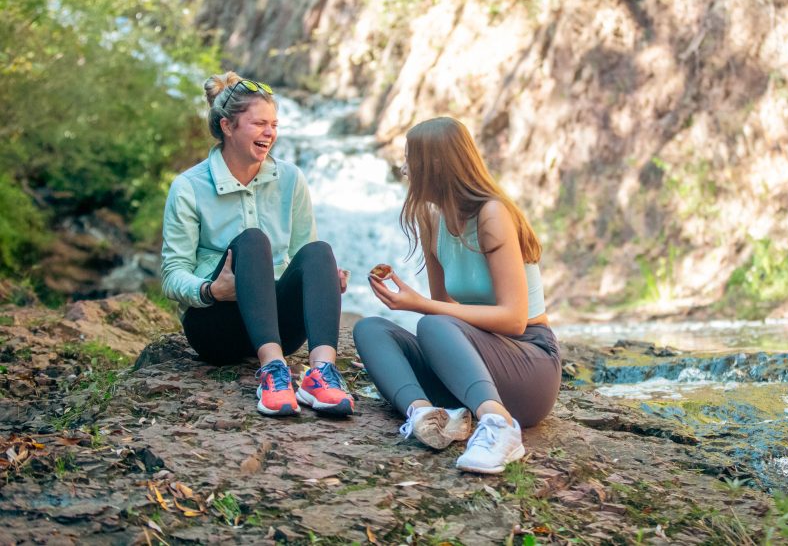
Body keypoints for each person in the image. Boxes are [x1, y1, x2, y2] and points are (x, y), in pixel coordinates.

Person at [354, 117, 560, 474]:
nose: (404, 170)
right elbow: (445, 306)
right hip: (472, 364)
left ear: (435, 166)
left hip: (530, 365)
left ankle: (499, 426)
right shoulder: (431, 218)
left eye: (410, 160)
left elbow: (513, 319)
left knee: (433, 323)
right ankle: (427, 418)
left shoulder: (492, 213)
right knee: (370, 329)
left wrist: (420, 305)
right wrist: (418, 300)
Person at [161, 71, 354, 418]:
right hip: (217, 328)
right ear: (227, 126)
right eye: (259, 124)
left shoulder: (291, 178)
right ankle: (272, 372)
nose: (270, 133)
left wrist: (322, 282)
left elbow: (300, 255)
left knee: (320, 253)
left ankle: (321, 374)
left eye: (274, 125)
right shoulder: (189, 187)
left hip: (280, 326)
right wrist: (211, 290)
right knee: (253, 240)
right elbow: (173, 274)